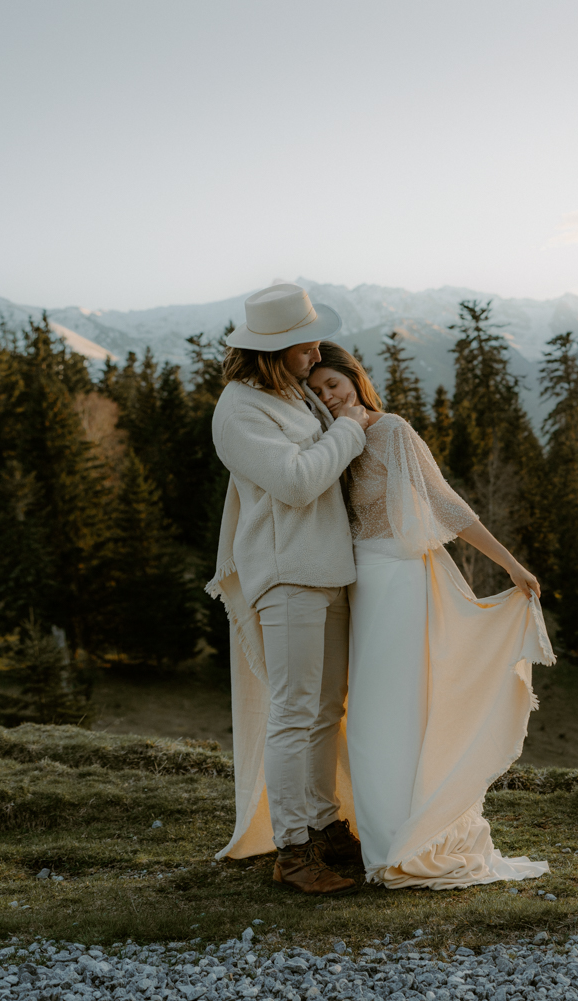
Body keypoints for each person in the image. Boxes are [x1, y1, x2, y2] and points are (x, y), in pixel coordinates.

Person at [307, 341, 554, 889]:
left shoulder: (392, 430)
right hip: (359, 585)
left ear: (354, 377)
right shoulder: (331, 440)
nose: (328, 396)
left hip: (400, 581)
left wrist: (510, 565)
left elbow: (447, 505)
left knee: (396, 708)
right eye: (318, 391)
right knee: (367, 714)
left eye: (334, 384)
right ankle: (384, 843)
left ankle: (410, 840)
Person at [206, 284, 381, 895]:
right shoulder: (239, 411)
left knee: (324, 711)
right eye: (305, 345)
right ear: (276, 349)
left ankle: (325, 826)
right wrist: (352, 428)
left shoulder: (291, 391)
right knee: (294, 712)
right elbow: (299, 481)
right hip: (285, 577)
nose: (316, 353)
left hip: (326, 571)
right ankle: (293, 849)